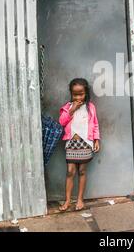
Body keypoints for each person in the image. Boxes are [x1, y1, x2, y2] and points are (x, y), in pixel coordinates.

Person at [58, 78, 100, 211]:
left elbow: (95, 125)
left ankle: (80, 199)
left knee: (82, 171)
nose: (78, 97)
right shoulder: (67, 107)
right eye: (75, 94)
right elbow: (61, 122)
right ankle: (67, 201)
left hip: (86, 143)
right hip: (72, 143)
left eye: (80, 94)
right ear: (71, 93)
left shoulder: (90, 107)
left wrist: (96, 140)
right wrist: (71, 110)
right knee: (70, 171)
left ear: (86, 93)